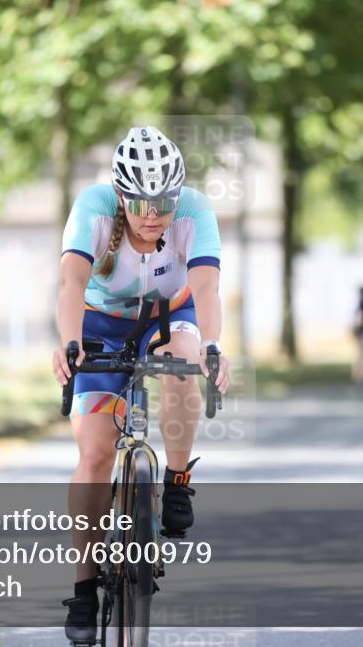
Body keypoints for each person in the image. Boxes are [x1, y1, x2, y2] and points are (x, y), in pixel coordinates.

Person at [52, 126, 231, 643]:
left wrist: (213, 346)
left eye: (164, 201)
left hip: (170, 314)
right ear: (122, 195)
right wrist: (70, 344)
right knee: (93, 453)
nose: (154, 213)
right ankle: (84, 591)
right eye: (143, 202)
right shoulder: (93, 208)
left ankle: (176, 481)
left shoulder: (195, 212)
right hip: (101, 321)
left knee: (184, 360)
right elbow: (71, 283)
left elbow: (207, 286)